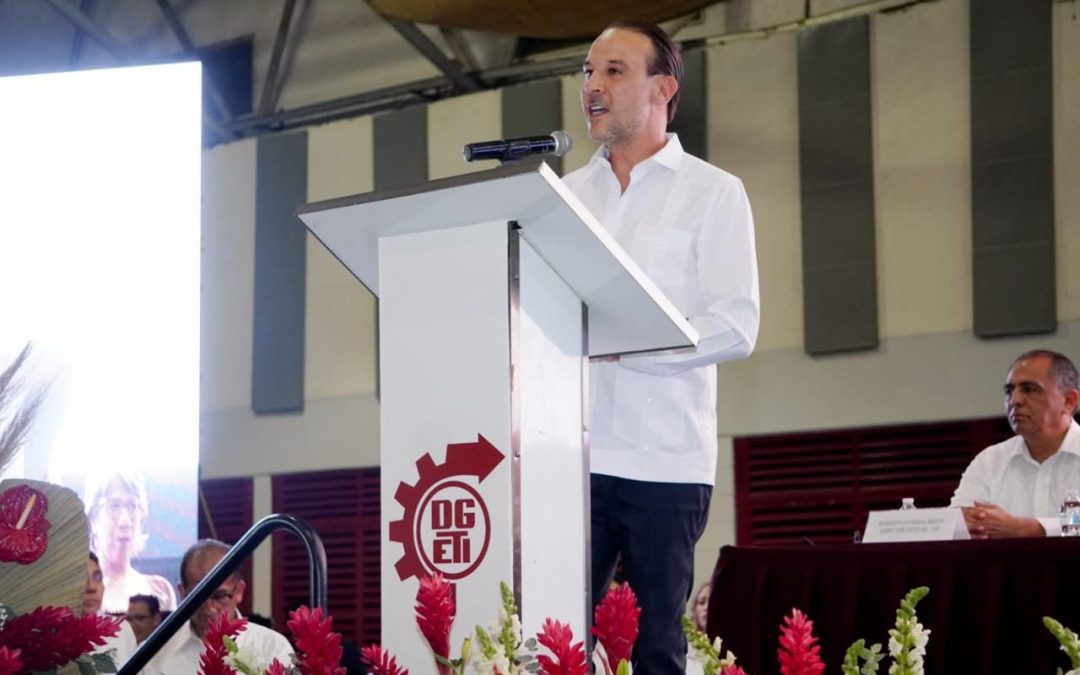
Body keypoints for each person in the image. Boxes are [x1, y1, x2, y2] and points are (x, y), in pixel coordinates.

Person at [562, 19, 760, 673]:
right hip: (570, 459)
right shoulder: (563, 197)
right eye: (588, 71)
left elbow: (737, 322)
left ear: (663, 88)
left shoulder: (713, 192)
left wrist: (631, 342)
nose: (593, 85)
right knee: (554, 641)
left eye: (614, 70)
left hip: (666, 464)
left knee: (654, 650)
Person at [951, 349, 1080, 538]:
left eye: (1030, 389)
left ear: (1069, 401)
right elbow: (956, 523)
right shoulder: (989, 461)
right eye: (1009, 391)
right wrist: (969, 526)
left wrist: (1032, 529)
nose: (1015, 400)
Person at [143, 539, 293, 673]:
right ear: (182, 594)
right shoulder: (153, 653)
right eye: (197, 597)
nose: (209, 609)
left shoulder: (271, 647)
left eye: (220, 596)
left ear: (239, 591)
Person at [86, 469, 178, 612]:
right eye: (114, 505)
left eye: (132, 506)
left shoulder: (160, 591)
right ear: (94, 518)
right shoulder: (81, 593)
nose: (125, 521)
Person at [85, 552, 138, 668]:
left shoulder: (122, 629)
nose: (91, 587)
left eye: (97, 577)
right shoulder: (47, 636)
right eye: (82, 578)